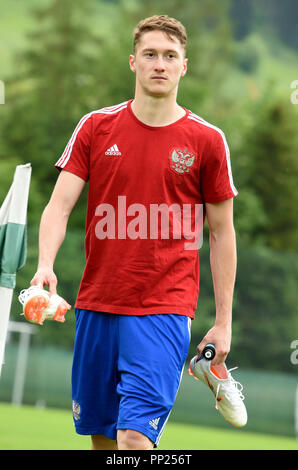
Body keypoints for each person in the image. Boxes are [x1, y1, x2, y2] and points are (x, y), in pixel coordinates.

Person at [31, 15, 238, 450]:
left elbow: (221, 234)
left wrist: (222, 322)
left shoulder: (207, 140)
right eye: (150, 55)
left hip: (164, 310)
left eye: (169, 56)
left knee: (133, 439)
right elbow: (59, 206)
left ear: (185, 66)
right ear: (133, 62)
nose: (159, 64)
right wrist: (45, 265)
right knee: (103, 439)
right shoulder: (95, 127)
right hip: (97, 304)